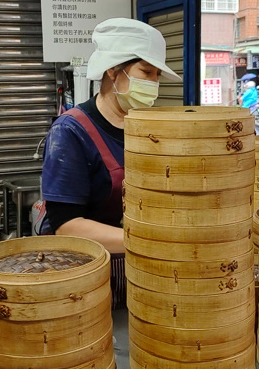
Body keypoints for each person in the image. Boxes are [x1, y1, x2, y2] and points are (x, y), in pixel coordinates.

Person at [38, 18, 180, 308]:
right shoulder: (71, 132)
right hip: (87, 278)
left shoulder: (147, 127)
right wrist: (150, 239)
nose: (153, 84)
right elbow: (66, 225)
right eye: (146, 72)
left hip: (142, 271)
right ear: (113, 70)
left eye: (157, 77)